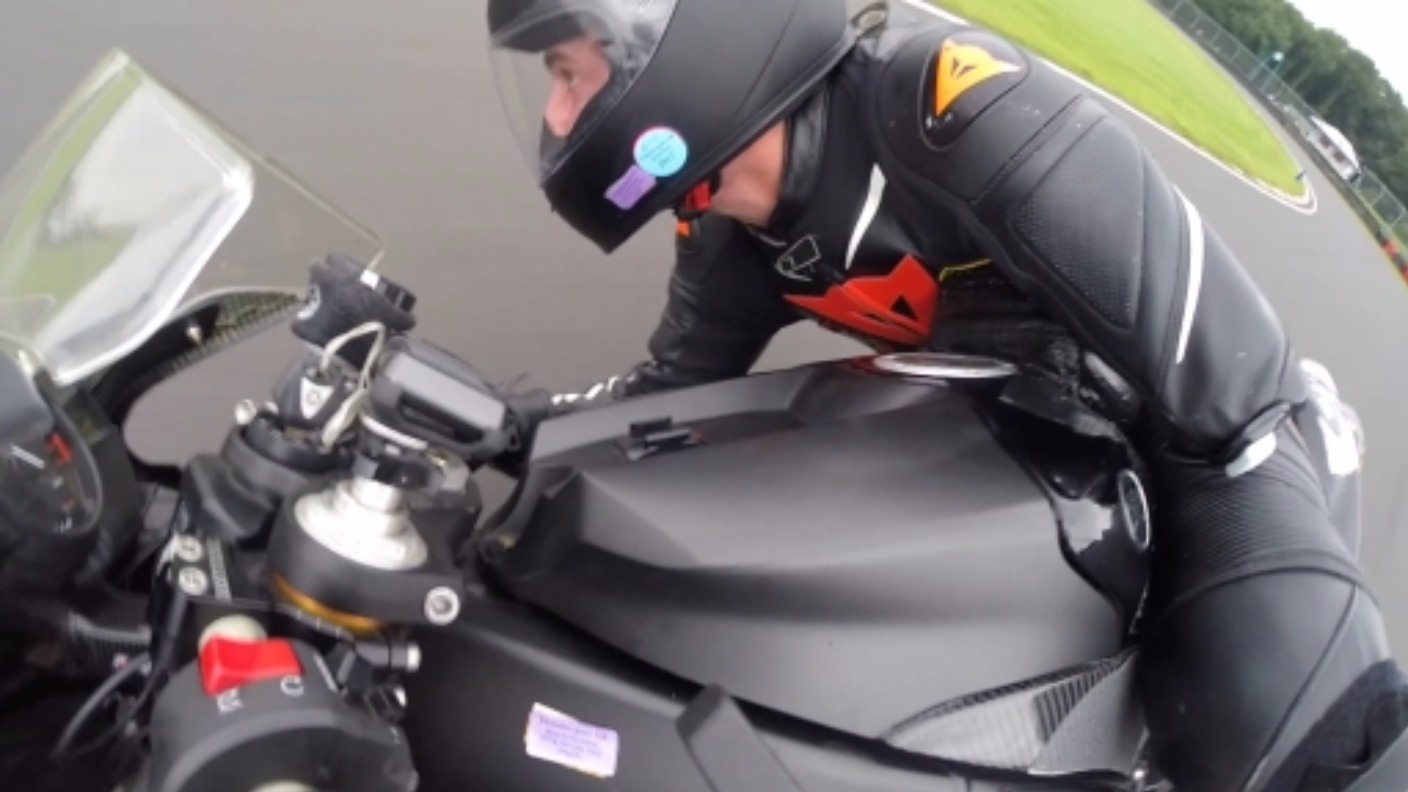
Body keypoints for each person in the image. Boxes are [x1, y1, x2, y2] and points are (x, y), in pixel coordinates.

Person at [485, 0, 1408, 789]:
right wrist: (480, 415)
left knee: (1285, 717)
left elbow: (1224, 372)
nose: (559, 117)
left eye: (569, 74)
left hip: (1223, 434)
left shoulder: (945, 104)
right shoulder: (728, 234)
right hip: (1036, 437)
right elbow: (661, 396)